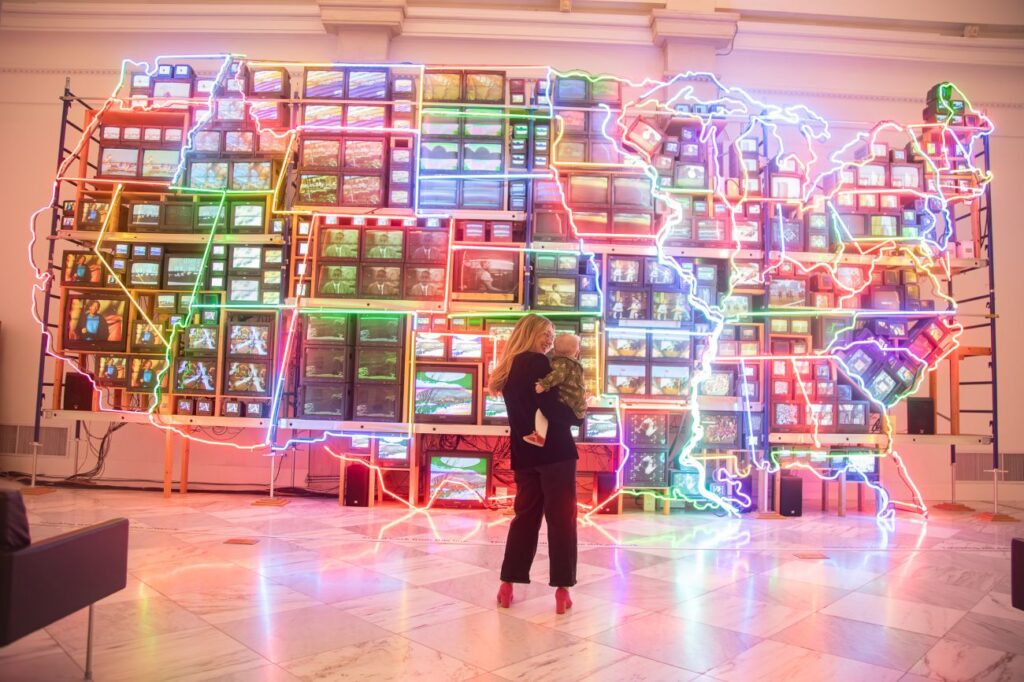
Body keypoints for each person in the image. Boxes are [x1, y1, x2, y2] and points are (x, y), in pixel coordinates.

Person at [488, 314, 582, 615]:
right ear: (529, 333)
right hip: (555, 453)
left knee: (524, 519)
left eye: (552, 334)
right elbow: (553, 408)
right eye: (545, 333)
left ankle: (507, 583)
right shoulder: (541, 364)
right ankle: (562, 589)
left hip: (525, 455)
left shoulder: (507, 368)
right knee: (561, 520)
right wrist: (578, 415)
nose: (550, 339)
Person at [523, 334, 587, 447]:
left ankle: (539, 437)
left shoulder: (562, 363)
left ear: (554, 351)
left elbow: (557, 375)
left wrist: (544, 384)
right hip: (576, 406)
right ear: (576, 352)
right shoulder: (574, 364)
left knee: (540, 413)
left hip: (569, 403)